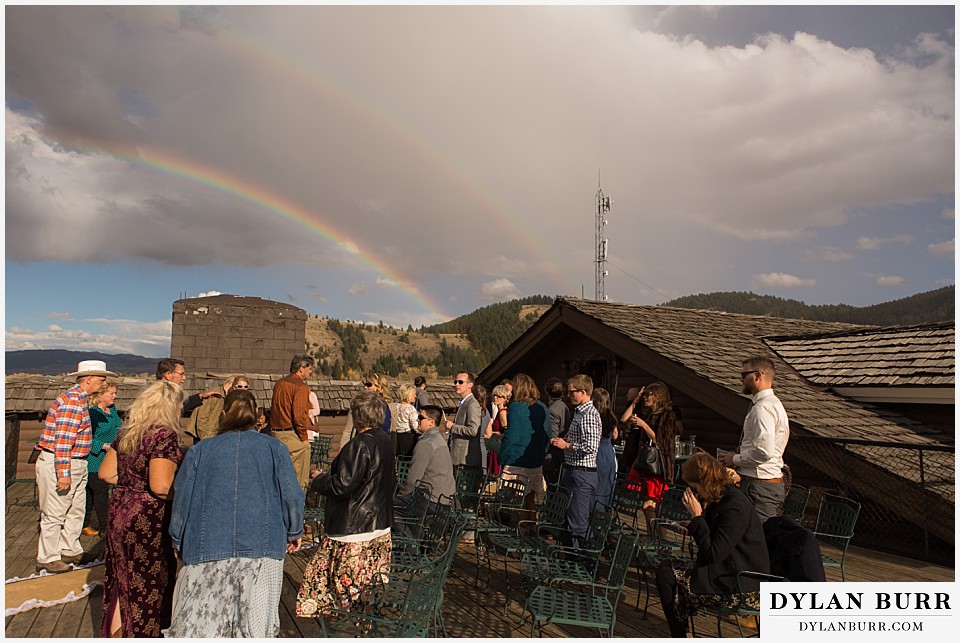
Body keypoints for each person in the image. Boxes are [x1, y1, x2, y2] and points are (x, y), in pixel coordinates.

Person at [166, 390, 305, 637]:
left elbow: (182, 494)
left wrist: (177, 537)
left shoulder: (201, 450)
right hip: (262, 549)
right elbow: (292, 493)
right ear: (258, 417)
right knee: (255, 628)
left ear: (223, 414)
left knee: (203, 627)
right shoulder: (276, 448)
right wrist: (295, 530)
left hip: (206, 546)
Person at [296, 391, 395, 619]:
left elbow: (341, 486)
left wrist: (318, 479)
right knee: (367, 591)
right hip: (380, 526)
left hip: (354, 531)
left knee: (335, 592)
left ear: (357, 416)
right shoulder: (385, 441)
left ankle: (342, 630)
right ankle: (363, 629)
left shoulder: (359, 445)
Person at [98, 380, 184, 637]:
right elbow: (160, 486)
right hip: (147, 520)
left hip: (119, 511)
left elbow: (106, 474)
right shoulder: (164, 436)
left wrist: (131, 483)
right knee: (147, 585)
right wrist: (183, 501)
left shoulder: (127, 432)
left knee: (120, 581)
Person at [656, 452, 769, 637]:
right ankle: (681, 633)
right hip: (726, 572)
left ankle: (679, 635)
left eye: (695, 488)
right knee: (668, 571)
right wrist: (694, 526)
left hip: (741, 585)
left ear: (705, 482)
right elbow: (715, 537)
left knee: (668, 574)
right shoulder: (722, 498)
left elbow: (714, 553)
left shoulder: (735, 506)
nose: (695, 493)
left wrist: (697, 518)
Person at [35, 360, 113, 574]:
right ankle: (48, 556)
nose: (104, 382)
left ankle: (69, 549)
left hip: (76, 461)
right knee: (55, 511)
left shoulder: (80, 399)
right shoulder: (72, 402)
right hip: (64, 461)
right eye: (101, 378)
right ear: (89, 379)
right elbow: (63, 441)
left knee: (75, 509)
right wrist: (64, 473)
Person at [719, 356, 790, 523]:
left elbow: (764, 451)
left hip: (759, 488)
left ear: (757, 376)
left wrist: (733, 459)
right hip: (760, 486)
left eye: (744, 375)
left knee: (757, 539)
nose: (741, 379)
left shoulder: (763, 408)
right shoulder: (773, 404)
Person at [625, 382, 684, 535]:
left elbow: (662, 441)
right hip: (644, 464)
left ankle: (659, 538)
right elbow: (623, 420)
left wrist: (644, 425)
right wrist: (636, 400)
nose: (645, 397)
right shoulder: (648, 413)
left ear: (657, 397)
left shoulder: (668, 415)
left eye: (648, 395)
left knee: (649, 506)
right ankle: (657, 537)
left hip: (656, 466)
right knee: (649, 506)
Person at [550, 374, 601, 549]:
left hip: (582, 474)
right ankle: (570, 558)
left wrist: (567, 445)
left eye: (572, 392)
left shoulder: (589, 415)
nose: (569, 396)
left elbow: (591, 447)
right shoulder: (580, 413)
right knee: (567, 521)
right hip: (573, 471)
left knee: (578, 524)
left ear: (583, 392)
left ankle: (586, 563)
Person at [499, 373, 550, 512]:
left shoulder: (516, 407)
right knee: (531, 501)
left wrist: (503, 457)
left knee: (519, 503)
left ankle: (521, 531)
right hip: (536, 460)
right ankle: (531, 529)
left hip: (517, 461)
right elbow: (548, 434)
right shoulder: (542, 407)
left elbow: (512, 435)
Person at [394, 405, 455, 520]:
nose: (417, 419)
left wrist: (400, 496)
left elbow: (413, 480)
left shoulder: (426, 443)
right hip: (445, 500)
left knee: (388, 506)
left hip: (431, 502)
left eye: (421, 417)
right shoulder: (439, 439)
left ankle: (410, 535)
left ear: (431, 422)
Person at [82, 381, 121, 538]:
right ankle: (104, 528)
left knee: (93, 494)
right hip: (95, 459)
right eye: (111, 393)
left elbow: (118, 428)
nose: (114, 396)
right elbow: (86, 437)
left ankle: (86, 524)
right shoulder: (92, 413)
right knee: (99, 493)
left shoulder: (112, 410)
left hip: (111, 458)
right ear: (100, 395)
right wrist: (103, 445)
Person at [270, 354, 315, 492]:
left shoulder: (280, 383)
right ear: (301, 369)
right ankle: (296, 511)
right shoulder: (300, 387)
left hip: (276, 434)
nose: (311, 372)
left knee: (280, 480)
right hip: (292, 435)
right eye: (309, 368)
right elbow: (299, 416)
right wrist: (304, 438)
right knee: (297, 483)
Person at [155, 358, 220, 416]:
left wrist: (200, 396)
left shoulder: (167, 393)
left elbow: (183, 405)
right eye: (181, 374)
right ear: (168, 375)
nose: (184, 378)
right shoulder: (157, 396)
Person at [446, 371, 482, 468]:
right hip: (458, 457)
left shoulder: (472, 404)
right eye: (455, 382)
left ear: (470, 384)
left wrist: (453, 427)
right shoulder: (463, 403)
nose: (457, 384)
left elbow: (473, 430)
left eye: (460, 382)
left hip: (465, 459)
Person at [591, 387, 619, 512]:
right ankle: (605, 511)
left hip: (598, 453)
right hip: (609, 453)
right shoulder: (611, 417)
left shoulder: (594, 417)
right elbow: (615, 435)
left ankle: (595, 510)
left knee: (597, 484)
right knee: (608, 484)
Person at [185, 375, 234, 443]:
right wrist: (206, 439)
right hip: (205, 436)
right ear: (230, 383)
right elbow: (202, 417)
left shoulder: (228, 396)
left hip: (215, 436)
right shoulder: (215, 394)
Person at [542, 377, 569, 487]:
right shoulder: (564, 407)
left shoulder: (552, 409)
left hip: (553, 451)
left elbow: (552, 433)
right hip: (560, 450)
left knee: (551, 482)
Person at [484, 384, 510, 476]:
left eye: (498, 396)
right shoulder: (500, 411)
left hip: (498, 446)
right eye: (494, 395)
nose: (495, 398)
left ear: (504, 398)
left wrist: (491, 433)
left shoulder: (503, 412)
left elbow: (505, 432)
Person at [392, 383, 420, 458]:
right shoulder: (410, 408)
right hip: (408, 438)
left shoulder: (395, 406)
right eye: (414, 394)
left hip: (396, 437)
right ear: (408, 394)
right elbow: (415, 427)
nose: (415, 396)